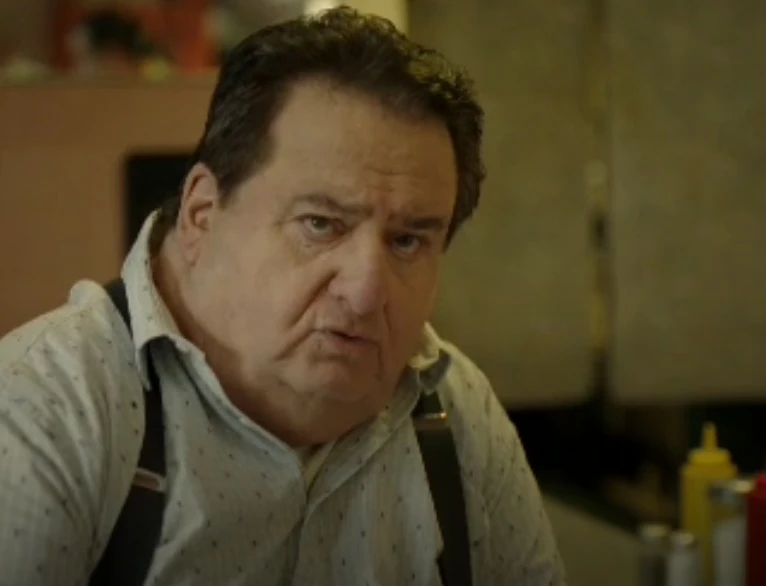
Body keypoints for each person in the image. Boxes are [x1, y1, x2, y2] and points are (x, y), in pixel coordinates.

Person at [0, 7, 566, 585]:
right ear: (201, 215)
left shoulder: (453, 412)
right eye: (320, 224)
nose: (366, 292)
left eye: (407, 241)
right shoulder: (47, 413)